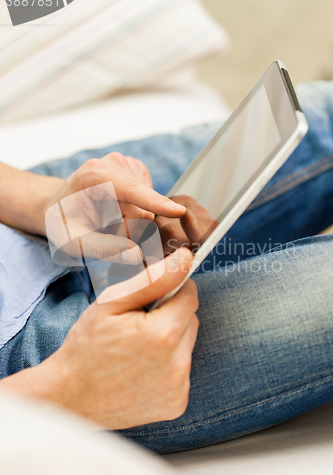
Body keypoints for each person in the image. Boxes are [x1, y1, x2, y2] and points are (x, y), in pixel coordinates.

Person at [0, 80, 333, 455]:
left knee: (318, 114)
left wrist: (44, 200)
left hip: (19, 220)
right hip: (33, 366)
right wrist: (64, 391)